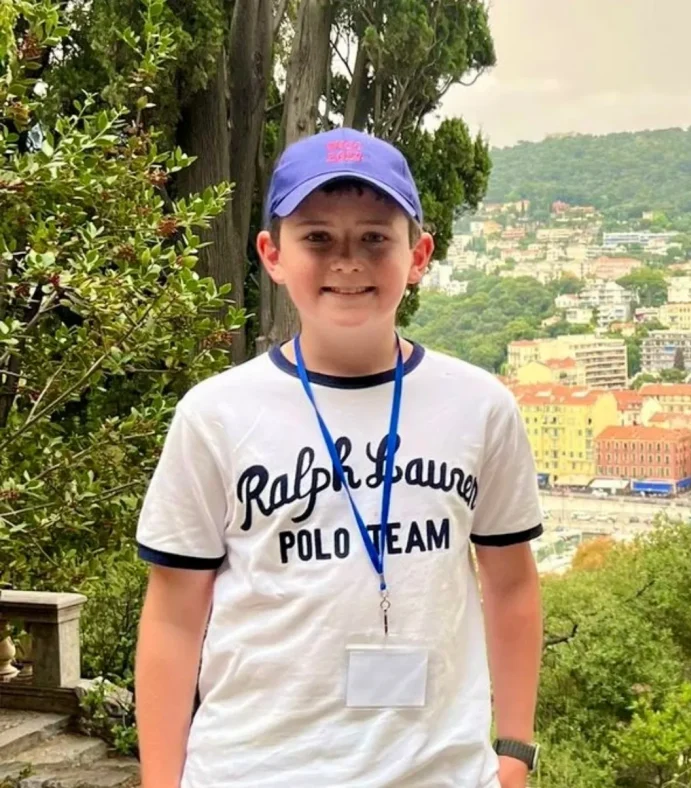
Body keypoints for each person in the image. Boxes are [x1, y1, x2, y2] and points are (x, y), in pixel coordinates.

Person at [132, 127, 544, 788]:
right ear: (272, 254)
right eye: (317, 237)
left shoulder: (480, 408)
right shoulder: (215, 415)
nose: (347, 261)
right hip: (250, 772)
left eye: (375, 237)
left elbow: (511, 583)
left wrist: (515, 753)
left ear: (419, 255)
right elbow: (175, 617)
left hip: (437, 773)